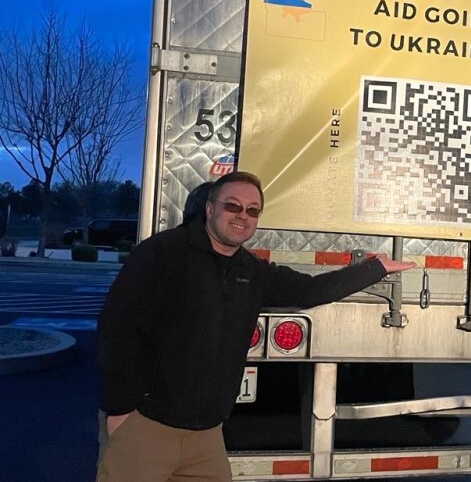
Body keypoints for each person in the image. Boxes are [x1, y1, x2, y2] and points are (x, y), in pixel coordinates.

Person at [96, 171, 415, 482]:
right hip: (147, 426)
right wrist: (120, 409)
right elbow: (117, 329)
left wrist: (374, 269)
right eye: (232, 206)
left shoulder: (251, 270)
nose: (242, 216)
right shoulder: (161, 253)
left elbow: (310, 290)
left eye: (252, 210)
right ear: (210, 208)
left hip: (206, 437)